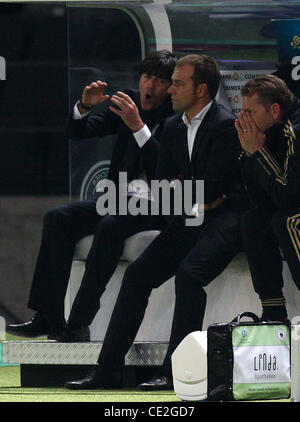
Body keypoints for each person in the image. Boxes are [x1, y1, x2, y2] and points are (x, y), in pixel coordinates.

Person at [64, 54, 248, 391]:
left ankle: (176, 371)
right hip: (185, 221)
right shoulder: (174, 126)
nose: (170, 89)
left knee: (188, 276)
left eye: (178, 82)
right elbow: (165, 183)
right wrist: (193, 194)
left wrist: (195, 192)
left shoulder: (225, 125)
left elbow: (216, 188)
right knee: (136, 277)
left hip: (223, 222)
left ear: (202, 89)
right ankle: (108, 370)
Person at [7, 50, 177, 341]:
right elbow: (78, 131)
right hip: (120, 197)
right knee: (59, 217)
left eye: (160, 80)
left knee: (110, 225)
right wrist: (84, 107)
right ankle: (48, 316)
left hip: (161, 202)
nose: (150, 86)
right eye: (147, 77)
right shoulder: (129, 100)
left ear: (171, 86)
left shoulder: (177, 114)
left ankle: (78, 323)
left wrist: (138, 126)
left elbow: (163, 166)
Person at [235, 74, 300, 322]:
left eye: (250, 112)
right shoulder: (270, 129)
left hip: (294, 205)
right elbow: (260, 200)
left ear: (274, 110)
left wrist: (258, 154)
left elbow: (286, 196)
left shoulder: (296, 129)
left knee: (287, 222)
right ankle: (273, 312)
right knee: (254, 221)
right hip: (293, 199)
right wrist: (251, 154)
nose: (244, 120)